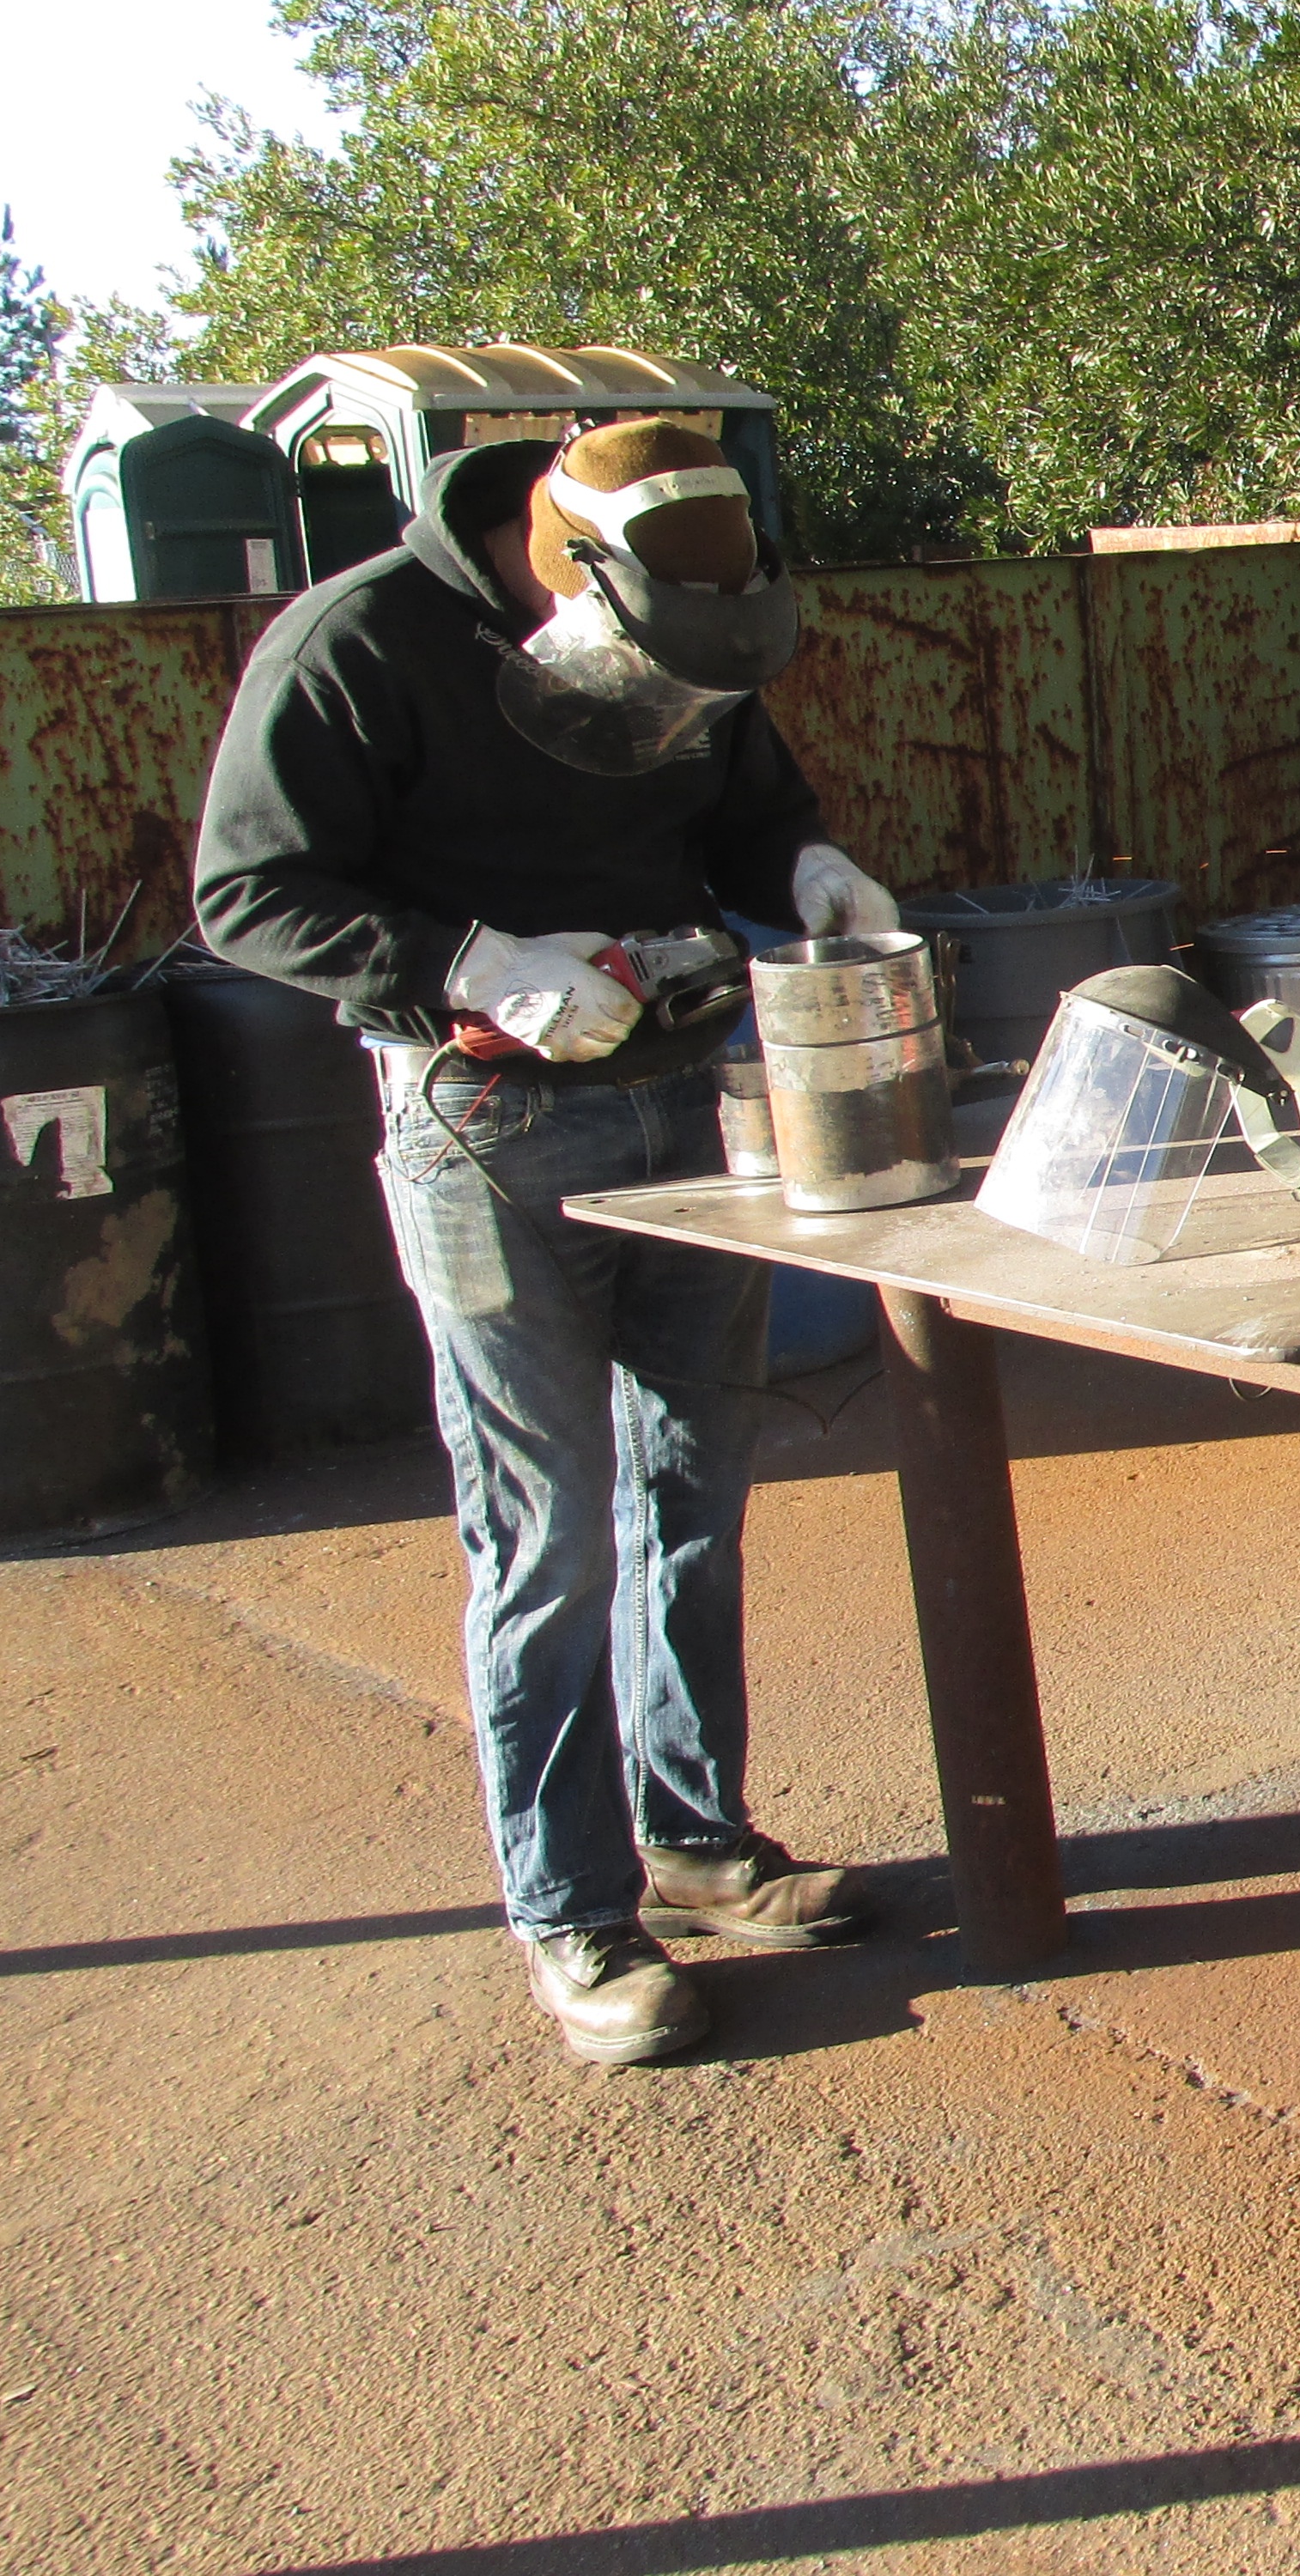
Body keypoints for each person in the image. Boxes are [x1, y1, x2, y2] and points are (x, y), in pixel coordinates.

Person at [195, 415, 902, 2069]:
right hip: (484, 1123)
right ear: (564, 552)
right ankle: (573, 1914)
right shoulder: (354, 646)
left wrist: (802, 862)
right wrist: (469, 961)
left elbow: (743, 804)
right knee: (547, 1536)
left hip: (678, 1108)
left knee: (695, 1493)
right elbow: (250, 895)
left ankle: (695, 1839)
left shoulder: (693, 614)